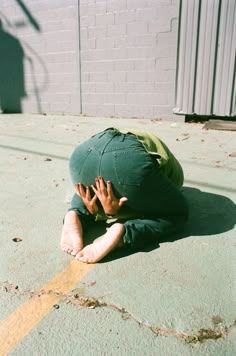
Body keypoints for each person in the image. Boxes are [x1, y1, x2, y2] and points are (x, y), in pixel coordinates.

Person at [60, 128, 189, 263]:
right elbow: (143, 201)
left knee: (90, 190)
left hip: (83, 155)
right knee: (177, 214)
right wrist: (115, 212)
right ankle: (125, 232)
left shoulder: (120, 133)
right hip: (129, 166)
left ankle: (76, 213)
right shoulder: (175, 174)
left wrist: (100, 210)